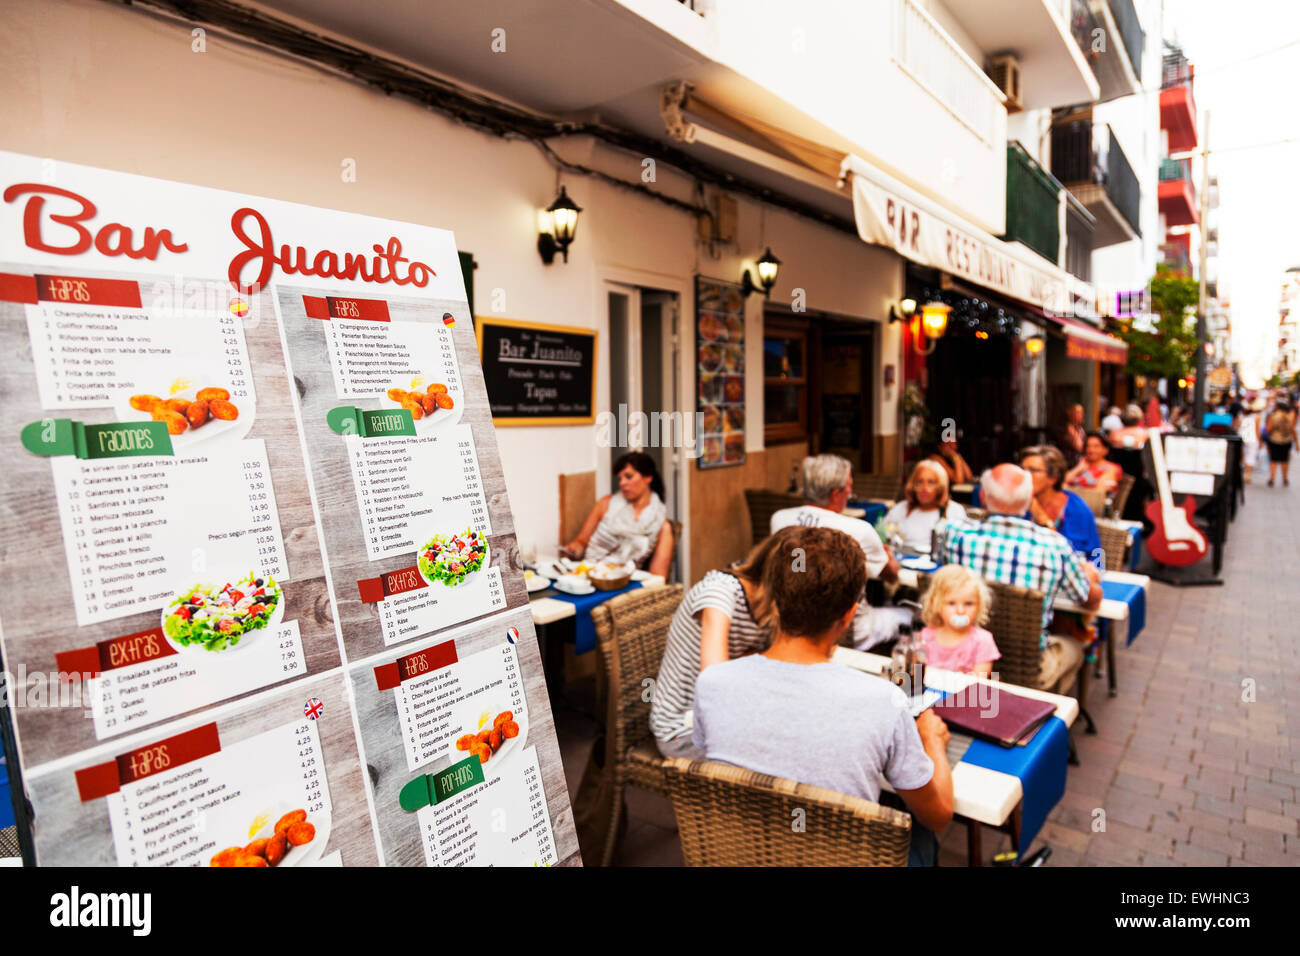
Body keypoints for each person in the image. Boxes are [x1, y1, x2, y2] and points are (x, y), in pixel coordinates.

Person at [691, 526, 954, 867]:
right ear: (848, 615)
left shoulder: (713, 682)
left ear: (773, 599)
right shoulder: (883, 702)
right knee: (917, 829)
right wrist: (932, 741)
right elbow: (939, 815)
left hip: (741, 852)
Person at [938, 464, 1102, 693]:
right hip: (1029, 665)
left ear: (983, 497)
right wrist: (1092, 578)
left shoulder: (953, 534)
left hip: (962, 654)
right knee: (1076, 643)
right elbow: (1088, 600)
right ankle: (1048, 708)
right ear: (1028, 502)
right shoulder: (1054, 545)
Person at [649, 531, 784, 758]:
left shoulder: (770, 606)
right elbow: (716, 682)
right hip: (682, 730)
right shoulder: (719, 592)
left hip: (728, 716)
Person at [771, 454, 904, 649]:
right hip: (848, 631)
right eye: (849, 485)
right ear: (835, 493)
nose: (851, 491)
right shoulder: (860, 530)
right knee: (911, 616)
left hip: (794, 623)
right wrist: (888, 556)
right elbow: (891, 576)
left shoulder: (779, 519)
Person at [560, 451, 673, 576]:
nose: (622, 483)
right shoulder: (605, 504)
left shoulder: (662, 527)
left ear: (648, 478)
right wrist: (574, 549)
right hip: (589, 574)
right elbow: (581, 541)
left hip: (623, 582)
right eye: (620, 478)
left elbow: (658, 577)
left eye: (628, 477)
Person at [1021, 445, 1102, 562]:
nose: (1025, 475)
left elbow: (1095, 555)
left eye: (1033, 470)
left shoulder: (1076, 509)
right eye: (1022, 470)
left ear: (1053, 477)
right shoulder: (1017, 504)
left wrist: (1041, 516)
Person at [918, 565, 999, 677]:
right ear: (935, 604)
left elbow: (979, 684)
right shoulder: (924, 637)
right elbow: (917, 674)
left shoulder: (983, 641)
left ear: (979, 605)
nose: (960, 611)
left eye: (968, 603)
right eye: (951, 603)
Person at [883, 459, 967, 553]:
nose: (924, 488)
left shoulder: (954, 510)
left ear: (940, 486)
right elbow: (885, 536)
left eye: (931, 482)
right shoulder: (900, 509)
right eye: (920, 481)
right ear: (913, 484)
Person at [1265, 399, 1297, 487]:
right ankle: (1285, 478)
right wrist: (1296, 443)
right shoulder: (1290, 416)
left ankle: (1272, 478)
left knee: (1273, 460)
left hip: (1275, 440)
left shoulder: (1273, 416)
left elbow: (1268, 429)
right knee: (1285, 460)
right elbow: (1293, 430)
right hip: (1287, 440)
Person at [1238, 400, 1261, 485]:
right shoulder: (1256, 417)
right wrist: (1259, 440)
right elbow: (1257, 430)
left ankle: (1244, 473)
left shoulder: (1241, 416)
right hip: (1252, 438)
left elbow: (1237, 426)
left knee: (1243, 456)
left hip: (1242, 437)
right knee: (1250, 456)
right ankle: (1247, 474)